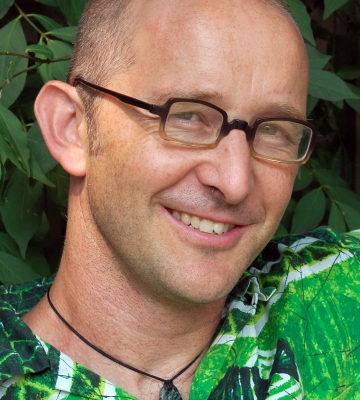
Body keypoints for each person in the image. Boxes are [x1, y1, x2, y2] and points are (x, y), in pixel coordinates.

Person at [1, 0, 359, 399]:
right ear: (73, 129)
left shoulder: (336, 291)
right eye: (188, 116)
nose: (235, 181)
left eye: (274, 129)